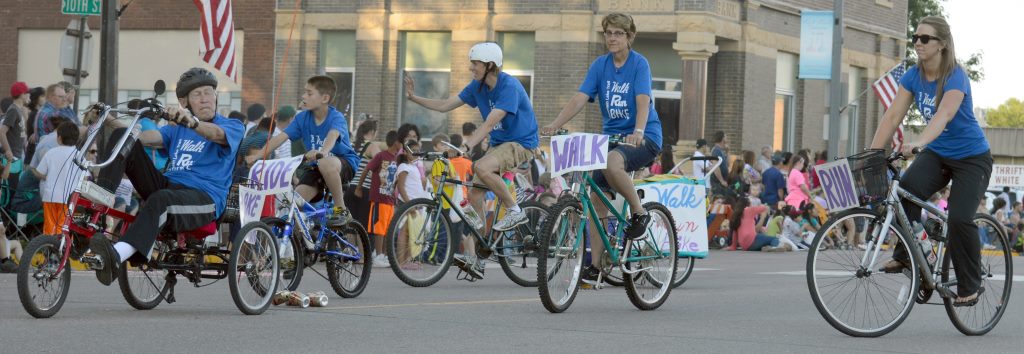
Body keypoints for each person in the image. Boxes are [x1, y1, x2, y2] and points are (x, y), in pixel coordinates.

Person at [868, 16, 992, 306]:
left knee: (960, 218)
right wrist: (874, 153)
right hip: (939, 152)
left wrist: (920, 142)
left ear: (942, 45)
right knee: (905, 192)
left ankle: (970, 285)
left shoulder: (955, 76)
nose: (918, 43)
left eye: (925, 39)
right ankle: (910, 258)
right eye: (915, 38)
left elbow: (944, 114)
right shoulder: (913, 75)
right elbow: (892, 116)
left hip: (972, 157)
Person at [87, 67, 244, 286]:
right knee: (124, 136)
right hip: (169, 185)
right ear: (184, 102)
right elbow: (142, 137)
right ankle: (102, 194)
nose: (205, 99)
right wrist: (108, 119)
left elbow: (215, 134)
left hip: (204, 198)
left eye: (209, 93)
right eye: (198, 95)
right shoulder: (176, 130)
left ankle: (117, 255)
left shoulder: (231, 126)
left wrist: (193, 122)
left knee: (161, 200)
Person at [542, 13, 664, 283]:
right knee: (596, 199)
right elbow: (579, 98)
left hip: (644, 137)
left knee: (612, 163)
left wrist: (639, 132)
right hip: (610, 139)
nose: (612, 37)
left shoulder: (639, 64)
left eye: (619, 33)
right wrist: (555, 124)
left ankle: (639, 214)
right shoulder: (600, 65)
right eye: (608, 32)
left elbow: (643, 101)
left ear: (629, 36)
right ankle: (596, 265)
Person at [405, 42, 539, 279]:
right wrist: (414, 98)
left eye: (475, 64)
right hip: (500, 145)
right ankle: (481, 254)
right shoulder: (477, 87)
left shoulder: (510, 86)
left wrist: (466, 146)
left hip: (521, 143)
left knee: (481, 166)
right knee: (474, 196)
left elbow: (488, 124)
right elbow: (446, 105)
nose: (471, 68)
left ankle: (515, 210)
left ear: (489, 65)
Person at [262, 75, 360, 226]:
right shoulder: (302, 118)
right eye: (304, 92)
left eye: (309, 93)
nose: (303, 96)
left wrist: (324, 151)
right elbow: (281, 137)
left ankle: (341, 209)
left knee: (325, 163)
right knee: (292, 205)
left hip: (343, 164)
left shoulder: (336, 117)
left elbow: (333, 135)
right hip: (317, 168)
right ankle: (302, 245)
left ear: (325, 98)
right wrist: (258, 155)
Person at [355, 130, 400, 267]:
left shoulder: (397, 159)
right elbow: (366, 169)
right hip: (379, 197)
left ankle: (385, 255)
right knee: (379, 228)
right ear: (396, 142)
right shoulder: (381, 156)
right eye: (401, 142)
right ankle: (378, 254)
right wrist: (358, 187)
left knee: (388, 229)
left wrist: (395, 194)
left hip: (390, 199)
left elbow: (396, 179)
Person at [31, 121, 86, 235]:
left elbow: (39, 172)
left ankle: (49, 250)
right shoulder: (79, 155)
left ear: (59, 138)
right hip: (69, 198)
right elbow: (85, 176)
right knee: (64, 227)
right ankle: (62, 250)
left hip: (50, 196)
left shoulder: (51, 153)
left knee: (49, 227)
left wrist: (48, 176)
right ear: (76, 139)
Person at [345, 118, 379, 230]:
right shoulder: (371, 146)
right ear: (372, 132)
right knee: (362, 228)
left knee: (350, 225)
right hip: (365, 189)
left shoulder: (351, 145)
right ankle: (361, 248)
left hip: (350, 189)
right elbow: (382, 162)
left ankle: (349, 248)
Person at [2, 82, 31, 166]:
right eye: (27, 93)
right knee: (12, 179)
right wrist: (8, 150)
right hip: (12, 157)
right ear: (22, 94)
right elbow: (2, 131)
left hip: (18, 154)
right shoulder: (13, 110)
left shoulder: (19, 110)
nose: (29, 96)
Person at [710, 131, 730, 196]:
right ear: (722, 138)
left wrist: (727, 152)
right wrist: (721, 181)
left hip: (721, 184)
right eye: (725, 136)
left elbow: (728, 164)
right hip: (718, 184)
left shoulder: (721, 151)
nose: (727, 138)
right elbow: (716, 167)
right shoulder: (716, 150)